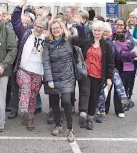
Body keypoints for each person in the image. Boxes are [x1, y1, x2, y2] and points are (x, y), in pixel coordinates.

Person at [43, 13, 86, 142]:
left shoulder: (70, 40)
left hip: (67, 77)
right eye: (53, 28)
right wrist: (49, 79)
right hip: (53, 78)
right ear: (51, 30)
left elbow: (83, 38)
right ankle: (58, 125)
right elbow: (46, 61)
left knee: (66, 102)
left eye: (58, 28)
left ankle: (70, 128)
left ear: (62, 28)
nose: (56, 30)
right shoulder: (47, 42)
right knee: (54, 104)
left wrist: (79, 24)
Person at [82, 20, 114, 130]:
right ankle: (83, 115)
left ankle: (90, 118)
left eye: (99, 30)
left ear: (102, 31)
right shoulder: (87, 42)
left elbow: (110, 63)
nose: (97, 32)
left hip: (98, 76)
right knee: (85, 94)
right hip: (86, 74)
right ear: (92, 30)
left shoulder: (106, 45)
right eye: (95, 30)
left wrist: (109, 78)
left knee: (93, 97)